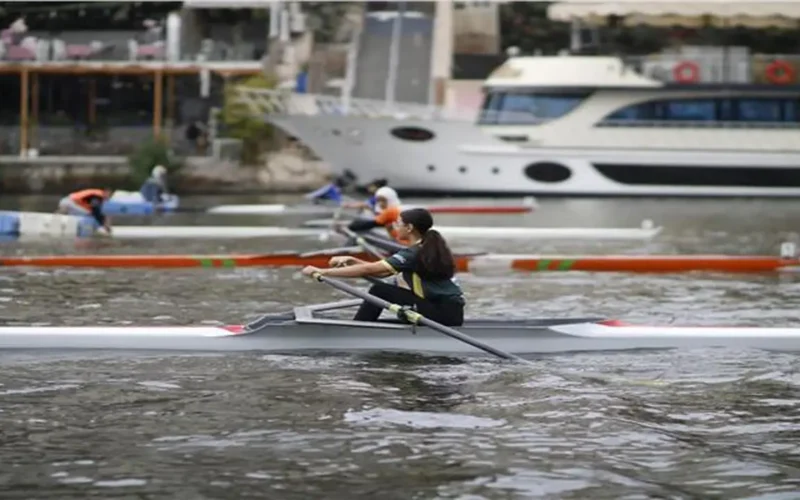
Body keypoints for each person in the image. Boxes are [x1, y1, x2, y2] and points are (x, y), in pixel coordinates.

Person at [302, 208, 464, 326]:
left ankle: (359, 329)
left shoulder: (413, 253)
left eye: (398, 224)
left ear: (409, 228)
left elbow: (370, 270)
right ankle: (361, 326)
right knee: (383, 288)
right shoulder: (424, 248)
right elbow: (381, 272)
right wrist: (353, 260)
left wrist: (322, 271)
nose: (394, 227)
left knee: (380, 291)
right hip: (449, 311)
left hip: (441, 314)